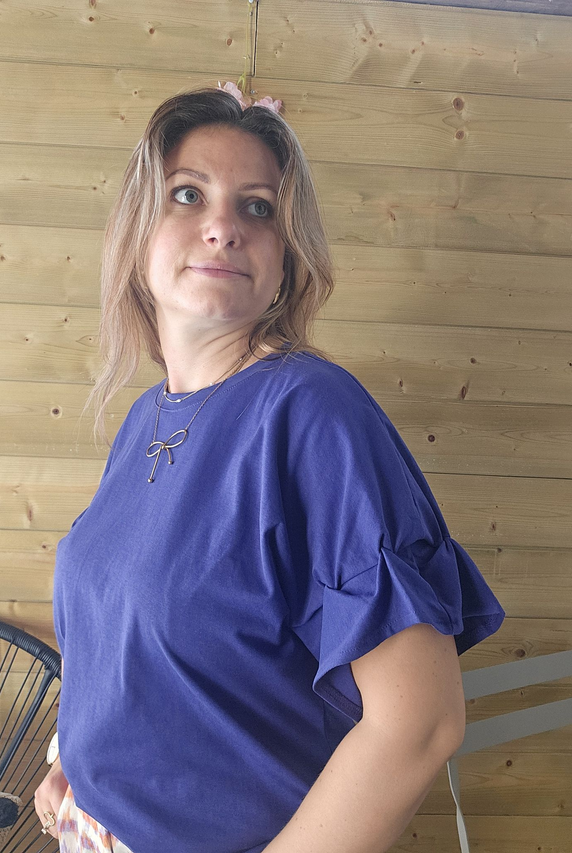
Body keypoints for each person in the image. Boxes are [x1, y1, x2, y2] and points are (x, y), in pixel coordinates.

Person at [34, 80, 505, 853]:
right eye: (188, 194)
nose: (223, 227)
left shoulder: (315, 416)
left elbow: (420, 723)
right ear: (138, 233)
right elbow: (129, 626)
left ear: (286, 258)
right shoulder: (147, 416)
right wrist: (76, 759)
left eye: (257, 207)